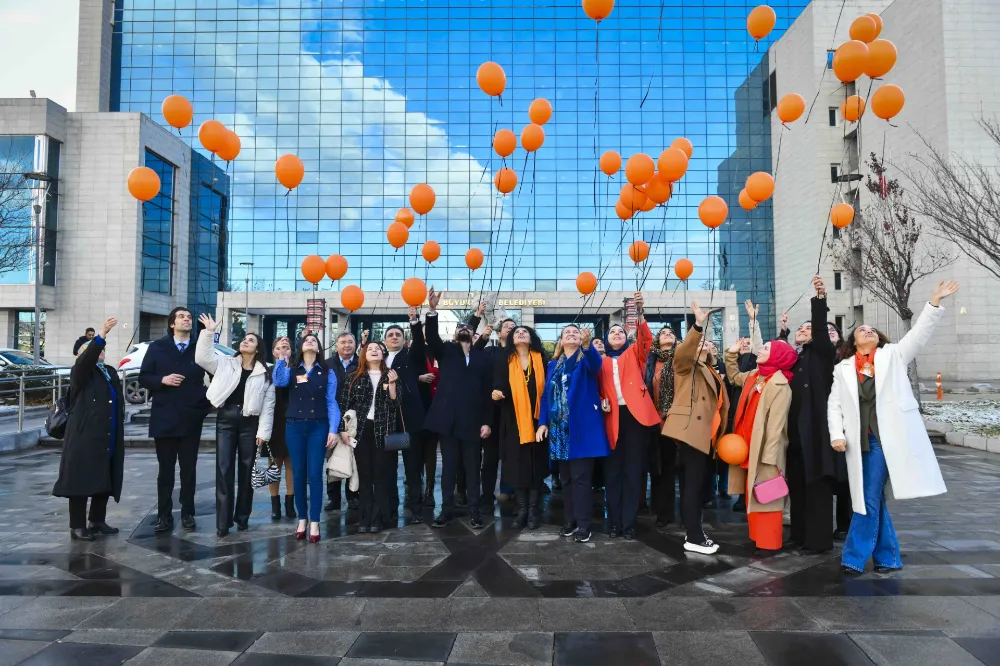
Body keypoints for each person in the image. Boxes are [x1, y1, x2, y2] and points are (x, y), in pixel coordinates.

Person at [829, 280, 958, 574]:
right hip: (856, 442)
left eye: (873, 329)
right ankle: (888, 558)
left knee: (867, 498)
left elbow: (919, 335)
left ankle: (853, 557)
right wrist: (837, 434)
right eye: (862, 329)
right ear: (853, 340)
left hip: (885, 441)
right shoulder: (843, 368)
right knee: (874, 499)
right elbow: (834, 405)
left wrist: (934, 302)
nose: (869, 330)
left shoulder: (894, 356)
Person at [771, 278, 840, 554]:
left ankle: (819, 541)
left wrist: (819, 302)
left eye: (807, 328)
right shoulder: (797, 359)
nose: (804, 330)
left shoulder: (821, 354)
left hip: (816, 434)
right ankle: (799, 535)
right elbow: (779, 353)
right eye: (800, 328)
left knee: (816, 490)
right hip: (796, 435)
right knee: (797, 488)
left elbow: (822, 333)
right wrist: (784, 332)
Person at [195, 315, 276, 537]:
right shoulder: (225, 362)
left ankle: (242, 517)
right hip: (226, 419)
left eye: (251, 340)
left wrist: (264, 433)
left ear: (258, 348)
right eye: (244, 339)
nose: (245, 341)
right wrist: (209, 332)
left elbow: (269, 406)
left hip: (251, 423)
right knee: (223, 469)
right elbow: (202, 358)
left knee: (247, 472)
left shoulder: (265, 372)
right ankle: (223, 522)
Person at [423, 288, 494, 529]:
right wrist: (432, 311)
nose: (464, 330)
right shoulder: (447, 352)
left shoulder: (482, 357)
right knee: (449, 469)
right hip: (448, 422)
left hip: (473, 423)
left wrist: (487, 421)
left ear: (474, 335)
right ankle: (446, 510)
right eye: (459, 328)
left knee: (473, 469)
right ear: (454, 334)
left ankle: (474, 511)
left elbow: (487, 393)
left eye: (468, 328)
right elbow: (431, 337)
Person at [662, 301, 729, 554]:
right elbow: (682, 355)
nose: (703, 344)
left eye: (707, 343)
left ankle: (694, 531)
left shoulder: (711, 371)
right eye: (699, 342)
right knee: (692, 485)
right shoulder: (687, 367)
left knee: (698, 485)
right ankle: (693, 536)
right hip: (691, 433)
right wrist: (698, 325)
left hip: (707, 437)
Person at [138, 307, 210, 533]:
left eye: (189, 317)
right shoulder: (157, 347)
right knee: (165, 471)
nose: (187, 320)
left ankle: (188, 513)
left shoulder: (201, 348)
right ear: (172, 323)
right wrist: (163, 380)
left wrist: (206, 405)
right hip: (165, 417)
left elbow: (220, 377)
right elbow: (143, 377)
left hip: (191, 417)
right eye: (182, 317)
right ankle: (163, 515)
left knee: (189, 470)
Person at [53, 317, 124, 541]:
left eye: (102, 349)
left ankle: (97, 520)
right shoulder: (81, 371)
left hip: (107, 434)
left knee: (105, 474)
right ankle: (77, 525)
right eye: (94, 350)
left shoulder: (109, 372)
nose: (100, 352)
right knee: (81, 478)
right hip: (84, 435)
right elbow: (86, 359)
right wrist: (101, 334)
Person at [538, 324, 609, 543]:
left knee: (581, 479)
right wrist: (543, 423)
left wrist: (587, 347)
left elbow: (597, 365)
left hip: (581, 430)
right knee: (566, 479)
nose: (571, 334)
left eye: (575, 332)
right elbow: (545, 397)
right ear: (560, 341)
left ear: (581, 339)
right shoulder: (552, 365)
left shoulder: (586, 361)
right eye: (566, 332)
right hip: (560, 431)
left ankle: (584, 525)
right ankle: (570, 521)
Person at [725, 337, 797, 552]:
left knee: (767, 494)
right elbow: (734, 377)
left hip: (765, 449)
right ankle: (757, 536)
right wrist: (732, 354)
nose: (761, 349)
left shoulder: (780, 384)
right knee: (753, 493)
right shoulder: (756, 376)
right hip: (746, 446)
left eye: (767, 348)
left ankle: (769, 541)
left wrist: (769, 456)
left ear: (777, 356)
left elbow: (776, 426)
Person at [598, 294, 660, 540]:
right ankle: (613, 522)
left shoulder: (635, 353)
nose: (616, 333)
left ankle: (629, 523)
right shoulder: (599, 361)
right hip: (609, 417)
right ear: (606, 338)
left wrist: (641, 314)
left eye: (620, 331)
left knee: (633, 472)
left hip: (634, 418)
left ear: (626, 338)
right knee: (612, 473)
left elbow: (646, 340)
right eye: (612, 331)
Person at [273, 333, 341, 543]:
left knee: (314, 474)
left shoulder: (327, 372)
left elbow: (331, 402)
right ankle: (302, 518)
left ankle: (314, 521)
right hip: (294, 425)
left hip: (318, 426)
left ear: (319, 348)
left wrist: (333, 429)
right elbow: (278, 381)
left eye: (314, 340)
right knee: (299, 474)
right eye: (306, 340)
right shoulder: (292, 370)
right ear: (300, 347)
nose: (310, 341)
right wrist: (282, 358)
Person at [339, 341, 402, 533]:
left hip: (388, 431)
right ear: (364, 355)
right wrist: (342, 429)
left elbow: (397, 404)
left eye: (378, 349)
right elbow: (344, 404)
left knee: (383, 475)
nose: (374, 351)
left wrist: (391, 384)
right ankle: (364, 519)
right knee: (364, 475)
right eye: (370, 349)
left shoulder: (392, 374)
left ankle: (379, 518)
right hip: (362, 430)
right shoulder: (353, 378)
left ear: (383, 354)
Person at [491, 326, 549, 529]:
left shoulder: (541, 359)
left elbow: (548, 390)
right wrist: (496, 394)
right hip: (514, 421)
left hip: (539, 421)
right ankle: (522, 509)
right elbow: (498, 387)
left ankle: (533, 511)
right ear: (511, 339)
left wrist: (544, 420)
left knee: (536, 467)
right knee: (518, 467)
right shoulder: (504, 361)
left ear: (532, 338)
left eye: (525, 332)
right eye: (517, 332)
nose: (521, 334)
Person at [471, 304, 517, 513]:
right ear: (499, 332)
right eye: (507, 326)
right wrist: (482, 336)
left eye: (514, 327)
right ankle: (486, 495)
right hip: (491, 411)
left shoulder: (522, 355)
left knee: (512, 456)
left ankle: (511, 492)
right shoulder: (490, 350)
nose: (510, 329)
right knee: (489, 458)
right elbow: (473, 354)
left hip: (515, 412)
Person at [384, 316, 427, 525]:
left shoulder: (410, 356)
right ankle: (392, 509)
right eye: (390, 335)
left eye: (398, 335)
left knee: (412, 468)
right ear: (385, 340)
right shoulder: (378, 359)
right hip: (390, 424)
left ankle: (416, 509)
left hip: (408, 422)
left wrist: (414, 322)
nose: (394, 337)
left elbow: (419, 342)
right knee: (390, 468)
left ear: (403, 339)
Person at [646, 325, 680, 527]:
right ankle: (659, 509)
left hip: (674, 421)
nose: (667, 334)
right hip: (652, 421)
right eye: (663, 333)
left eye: (671, 333)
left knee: (669, 469)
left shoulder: (681, 358)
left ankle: (668, 513)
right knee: (656, 468)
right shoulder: (651, 361)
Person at [325, 332, 361, 513]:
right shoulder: (327, 364)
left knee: (354, 458)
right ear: (336, 345)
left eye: (350, 342)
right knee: (333, 457)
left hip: (355, 419)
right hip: (332, 419)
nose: (346, 345)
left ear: (355, 344)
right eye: (342, 342)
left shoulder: (361, 363)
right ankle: (333, 498)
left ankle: (353, 496)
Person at [268, 336, 296, 520]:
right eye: (279, 347)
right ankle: (275, 503)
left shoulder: (297, 370)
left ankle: (289, 503)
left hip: (292, 418)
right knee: (273, 464)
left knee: (291, 465)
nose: (283, 350)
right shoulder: (268, 370)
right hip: (273, 420)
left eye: (286, 347)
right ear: (273, 351)